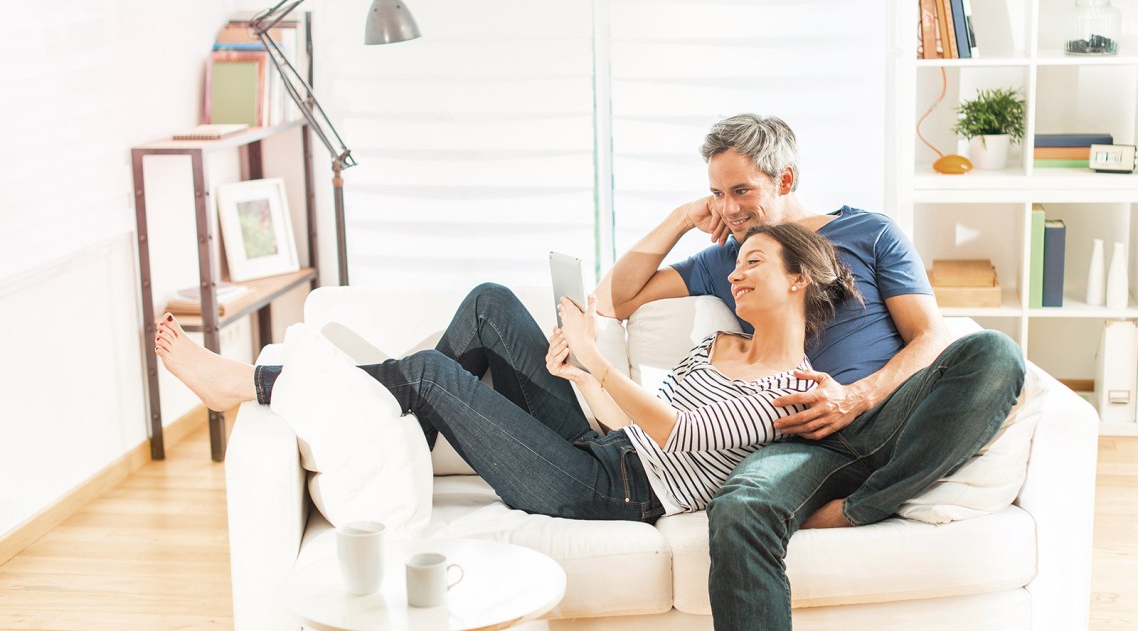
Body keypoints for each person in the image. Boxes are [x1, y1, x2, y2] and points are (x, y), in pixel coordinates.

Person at [592, 113, 1025, 630]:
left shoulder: (870, 232)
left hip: (889, 414)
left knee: (995, 353)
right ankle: (852, 502)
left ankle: (861, 506)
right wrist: (685, 216)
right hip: (800, 441)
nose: (728, 209)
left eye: (742, 191)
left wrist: (858, 396)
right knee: (740, 507)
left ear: (786, 180)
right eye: (716, 193)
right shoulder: (731, 258)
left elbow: (930, 336)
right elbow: (612, 300)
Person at [155, 224, 860, 522]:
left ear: (800, 282)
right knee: (492, 305)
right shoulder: (715, 346)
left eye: (756, 263)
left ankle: (251, 385)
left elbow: (678, 434)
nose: (735, 273)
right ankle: (369, 406)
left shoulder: (791, 391)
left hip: (612, 494)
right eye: (735, 263)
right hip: (605, 448)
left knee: (430, 372)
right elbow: (625, 422)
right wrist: (578, 376)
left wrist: (596, 360)